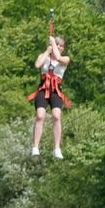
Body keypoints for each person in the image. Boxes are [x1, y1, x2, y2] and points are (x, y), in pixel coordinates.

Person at [29, 28, 70, 160]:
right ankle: (35, 146)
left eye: (61, 45)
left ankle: (57, 148)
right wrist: (47, 51)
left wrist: (54, 44)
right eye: (57, 44)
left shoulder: (65, 59)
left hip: (56, 90)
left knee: (56, 116)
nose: (58, 47)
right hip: (43, 89)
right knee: (40, 116)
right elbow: (37, 65)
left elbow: (58, 57)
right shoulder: (44, 57)